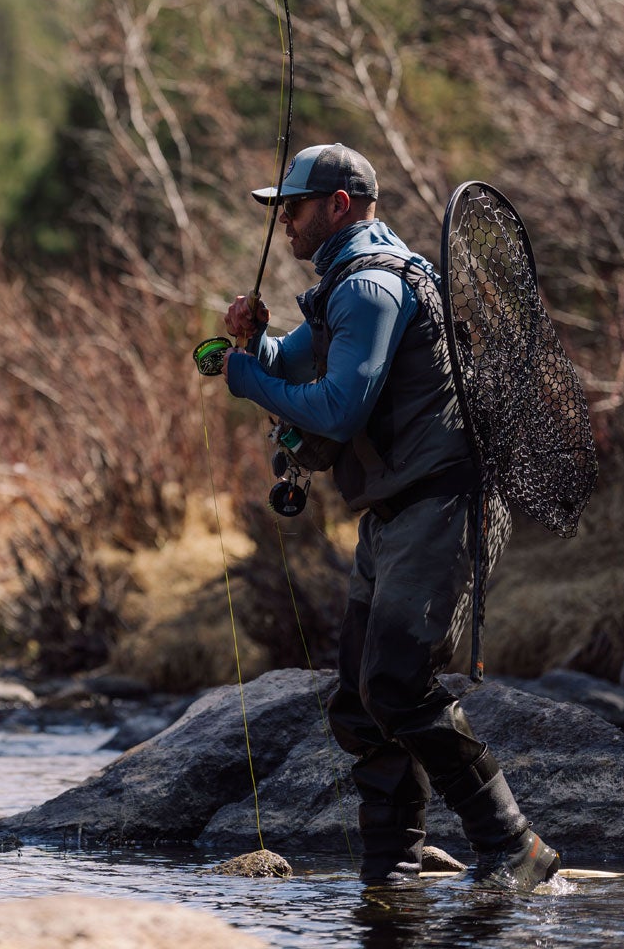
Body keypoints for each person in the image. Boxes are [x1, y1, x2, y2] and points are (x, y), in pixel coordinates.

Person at [220, 143, 559, 893]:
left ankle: (516, 847)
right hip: (396, 512)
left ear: (338, 204)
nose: (284, 223)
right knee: (359, 700)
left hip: (442, 505)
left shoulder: (370, 288)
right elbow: (287, 363)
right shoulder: (350, 281)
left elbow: (338, 410)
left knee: (398, 684)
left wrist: (244, 378)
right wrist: (252, 343)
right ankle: (393, 872)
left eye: (293, 208)